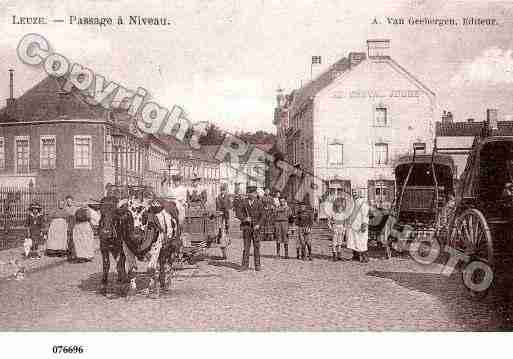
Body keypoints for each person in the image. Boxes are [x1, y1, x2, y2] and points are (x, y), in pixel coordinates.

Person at [236, 189, 264, 271]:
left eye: (253, 193)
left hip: (256, 228)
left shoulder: (259, 203)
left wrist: (259, 224)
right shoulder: (243, 202)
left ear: (255, 194)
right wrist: (244, 218)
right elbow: (238, 213)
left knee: (256, 247)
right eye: (249, 193)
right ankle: (244, 265)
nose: (251, 195)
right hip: (246, 227)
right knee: (246, 247)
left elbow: (263, 215)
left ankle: (257, 265)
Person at [346, 190, 370, 263]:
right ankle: (355, 256)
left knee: (362, 241)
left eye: (356, 193)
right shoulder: (353, 202)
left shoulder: (363, 202)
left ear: (360, 194)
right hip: (353, 225)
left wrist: (364, 224)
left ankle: (365, 257)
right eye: (353, 193)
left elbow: (365, 214)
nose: (354, 194)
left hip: (360, 225)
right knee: (353, 241)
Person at [328, 197, 347, 262]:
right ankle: (334, 255)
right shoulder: (333, 214)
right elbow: (329, 222)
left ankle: (339, 255)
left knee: (340, 242)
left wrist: (344, 229)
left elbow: (345, 223)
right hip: (335, 228)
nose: (340, 208)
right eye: (338, 207)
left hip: (341, 228)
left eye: (341, 207)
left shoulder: (343, 214)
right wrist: (331, 228)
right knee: (334, 242)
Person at [64, 195, 78, 260]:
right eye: (67, 201)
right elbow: (65, 217)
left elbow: (76, 216)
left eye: (70, 201)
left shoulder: (75, 208)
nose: (69, 202)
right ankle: (69, 254)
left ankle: (74, 254)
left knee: (73, 240)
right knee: (68, 240)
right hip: (67, 225)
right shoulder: (65, 208)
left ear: (72, 201)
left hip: (74, 225)